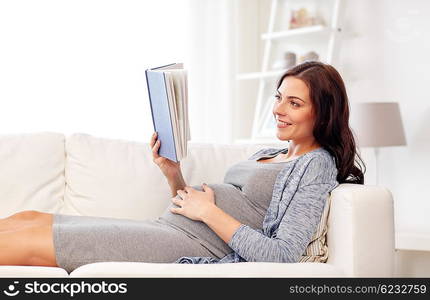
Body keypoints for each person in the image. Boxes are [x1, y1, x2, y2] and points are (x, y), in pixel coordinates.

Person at [0, 61, 365, 272]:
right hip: (171, 226)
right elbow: (196, 206)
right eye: (279, 97)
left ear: (324, 112)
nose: (278, 110)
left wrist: (208, 212)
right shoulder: (270, 152)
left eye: (294, 104)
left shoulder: (316, 165)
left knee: (33, 243)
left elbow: (282, 255)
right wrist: (173, 173)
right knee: (29, 219)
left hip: (192, 244)